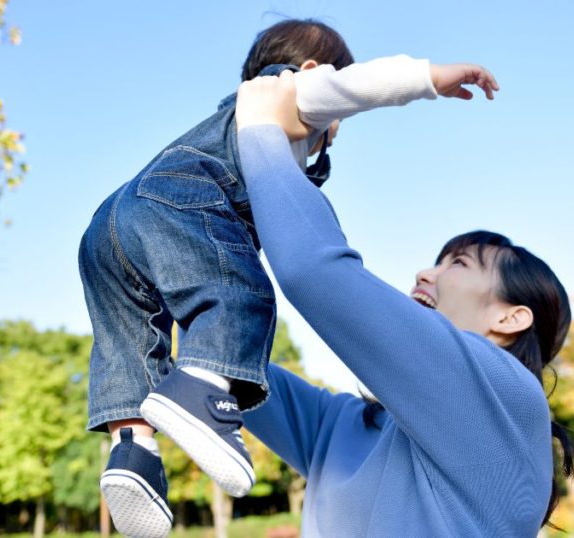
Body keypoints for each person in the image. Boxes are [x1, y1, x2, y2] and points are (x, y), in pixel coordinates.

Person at [78, 19, 499, 538]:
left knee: (131, 340)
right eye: (338, 118)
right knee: (242, 294)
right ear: (312, 69)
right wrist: (431, 78)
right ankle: (205, 394)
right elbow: (360, 85)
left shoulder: (226, 120)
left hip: (107, 224)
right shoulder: (286, 94)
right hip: (177, 205)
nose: (337, 125)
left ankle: (132, 453)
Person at [233, 70, 574, 536]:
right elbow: (227, 360)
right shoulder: (346, 428)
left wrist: (262, 130)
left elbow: (313, 270)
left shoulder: (507, 398)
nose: (425, 272)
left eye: (457, 264)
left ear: (510, 317)